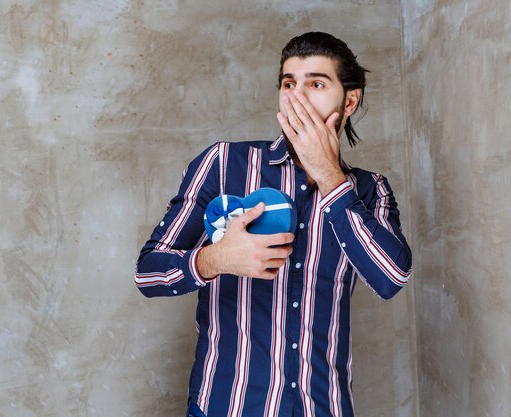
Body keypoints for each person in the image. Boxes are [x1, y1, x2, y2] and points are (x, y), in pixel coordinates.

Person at [135, 32, 412, 417]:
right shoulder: (222, 164)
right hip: (226, 407)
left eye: (316, 84)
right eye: (288, 83)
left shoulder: (369, 190)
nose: (297, 96)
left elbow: (391, 277)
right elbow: (148, 274)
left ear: (350, 100)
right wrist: (214, 260)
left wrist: (331, 178)